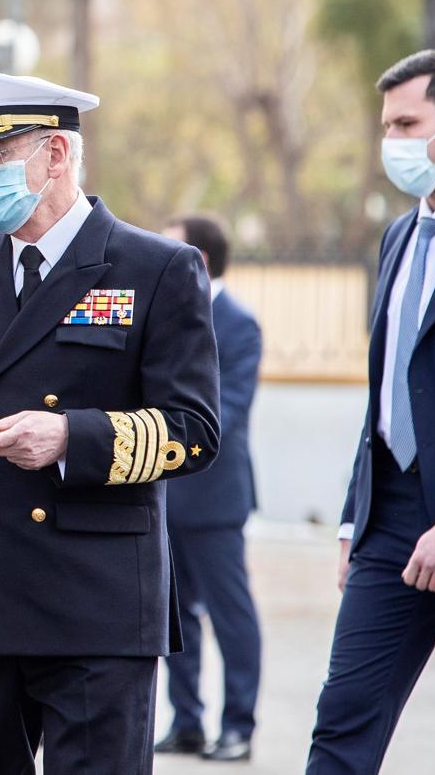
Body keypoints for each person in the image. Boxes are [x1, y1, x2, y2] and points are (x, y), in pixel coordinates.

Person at [0, 69, 220, 774]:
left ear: (56, 155)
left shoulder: (155, 268)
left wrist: (72, 438)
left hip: (96, 600)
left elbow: (193, 428)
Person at [307, 49, 435, 773]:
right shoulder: (398, 238)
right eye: (385, 124)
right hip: (392, 516)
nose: (391, 142)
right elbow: (387, 387)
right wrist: (352, 517)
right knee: (343, 722)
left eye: (407, 123)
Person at [155, 215, 263, 763]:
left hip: (214, 500)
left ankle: (238, 726)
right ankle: (188, 722)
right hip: (162, 493)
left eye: (168, 248)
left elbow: (228, 410)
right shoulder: (163, 315)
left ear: (198, 259)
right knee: (173, 617)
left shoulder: (238, 322)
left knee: (229, 615)